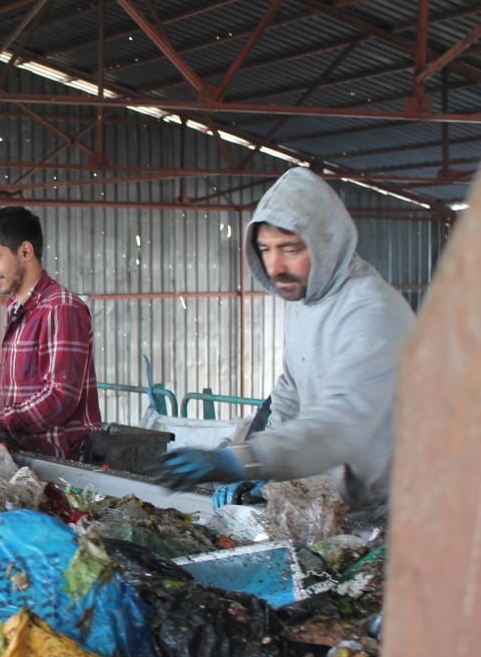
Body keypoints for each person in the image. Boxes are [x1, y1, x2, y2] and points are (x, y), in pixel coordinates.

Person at [145, 167, 415, 511]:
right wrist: (263, 467)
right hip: (348, 500)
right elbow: (289, 390)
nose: (275, 267)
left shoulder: (370, 312)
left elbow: (341, 424)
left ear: (326, 242)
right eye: (265, 249)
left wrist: (244, 459)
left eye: (290, 249)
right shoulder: (307, 298)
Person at [0, 207, 101, 460]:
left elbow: (60, 397)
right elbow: (22, 380)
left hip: (59, 461)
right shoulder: (17, 306)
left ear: (25, 251)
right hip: (23, 455)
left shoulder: (61, 308)